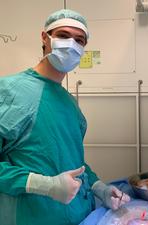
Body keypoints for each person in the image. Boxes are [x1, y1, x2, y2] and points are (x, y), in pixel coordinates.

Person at [0, 9, 130, 225]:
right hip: (32, 217)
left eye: (79, 40)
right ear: (45, 37)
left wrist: (100, 188)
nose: (71, 44)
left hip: (81, 215)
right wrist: (44, 185)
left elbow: (73, 161)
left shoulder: (70, 105)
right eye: (63, 36)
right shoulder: (10, 91)